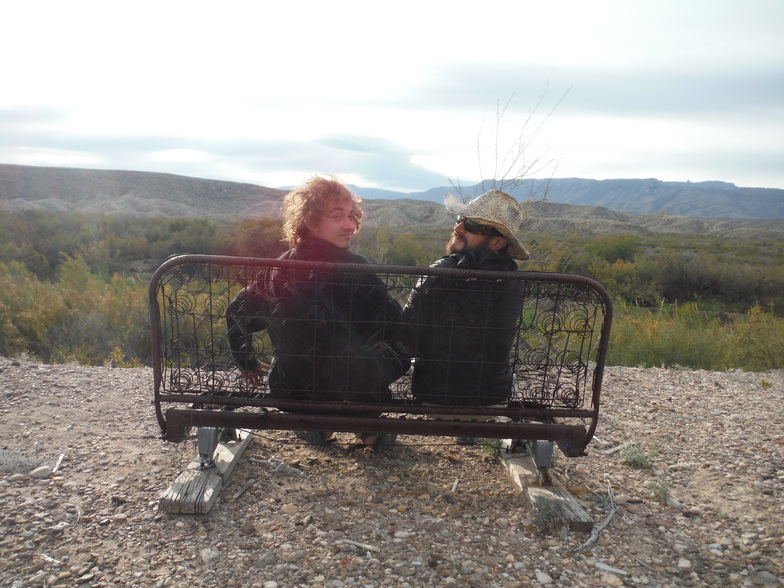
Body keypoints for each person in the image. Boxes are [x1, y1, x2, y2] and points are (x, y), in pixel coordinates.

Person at [225, 175, 408, 451]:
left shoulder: (277, 269)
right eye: (338, 216)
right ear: (310, 221)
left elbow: (236, 314)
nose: (350, 226)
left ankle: (315, 425)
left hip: (292, 392)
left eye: (351, 216)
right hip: (355, 395)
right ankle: (367, 429)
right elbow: (399, 328)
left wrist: (247, 362)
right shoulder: (358, 270)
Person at [402, 189, 529, 443]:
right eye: (460, 219)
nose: (458, 227)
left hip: (433, 397)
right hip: (491, 400)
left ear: (497, 243)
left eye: (471, 225)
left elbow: (405, 331)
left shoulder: (440, 272)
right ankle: (468, 431)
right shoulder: (514, 281)